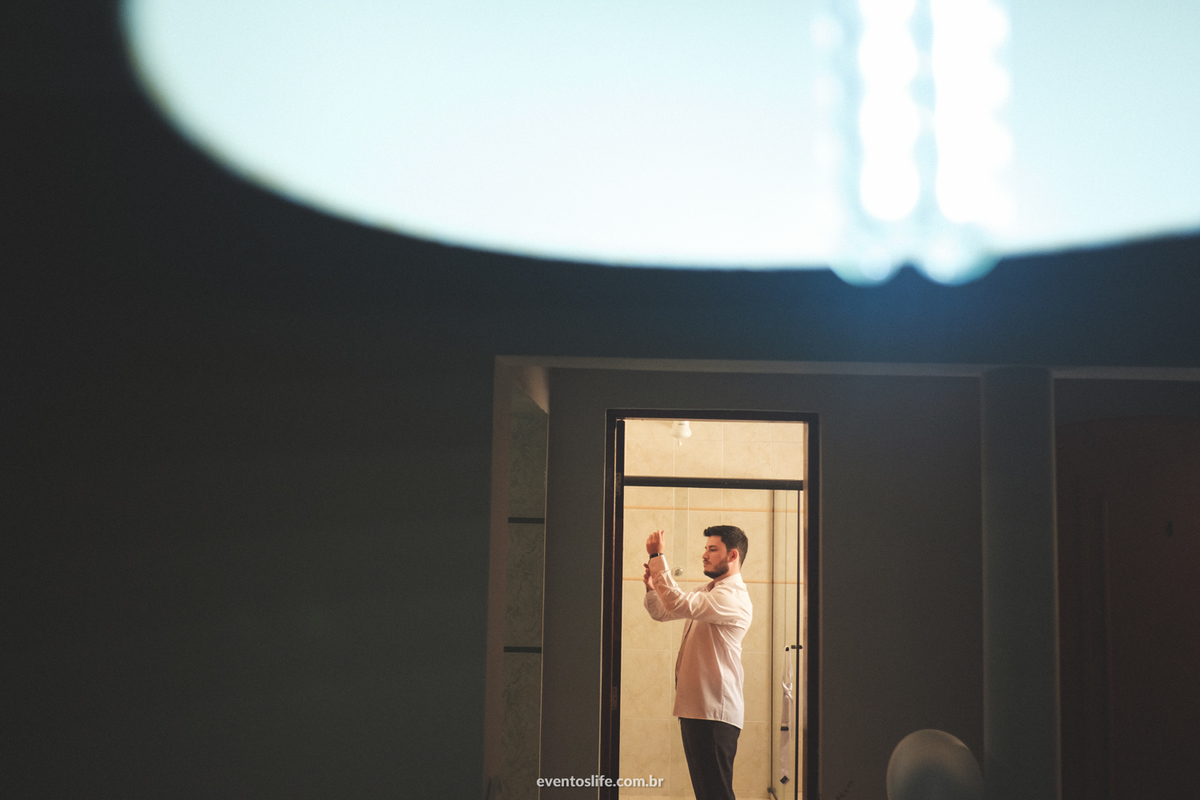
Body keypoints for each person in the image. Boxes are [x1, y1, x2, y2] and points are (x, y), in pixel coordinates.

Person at [643, 525, 753, 800]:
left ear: (732, 555)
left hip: (714, 711)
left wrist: (657, 557)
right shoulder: (709, 591)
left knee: (716, 794)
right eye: (706, 549)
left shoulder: (731, 598)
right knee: (707, 793)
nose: (704, 555)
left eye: (712, 549)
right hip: (696, 709)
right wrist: (652, 588)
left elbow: (678, 603)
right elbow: (663, 611)